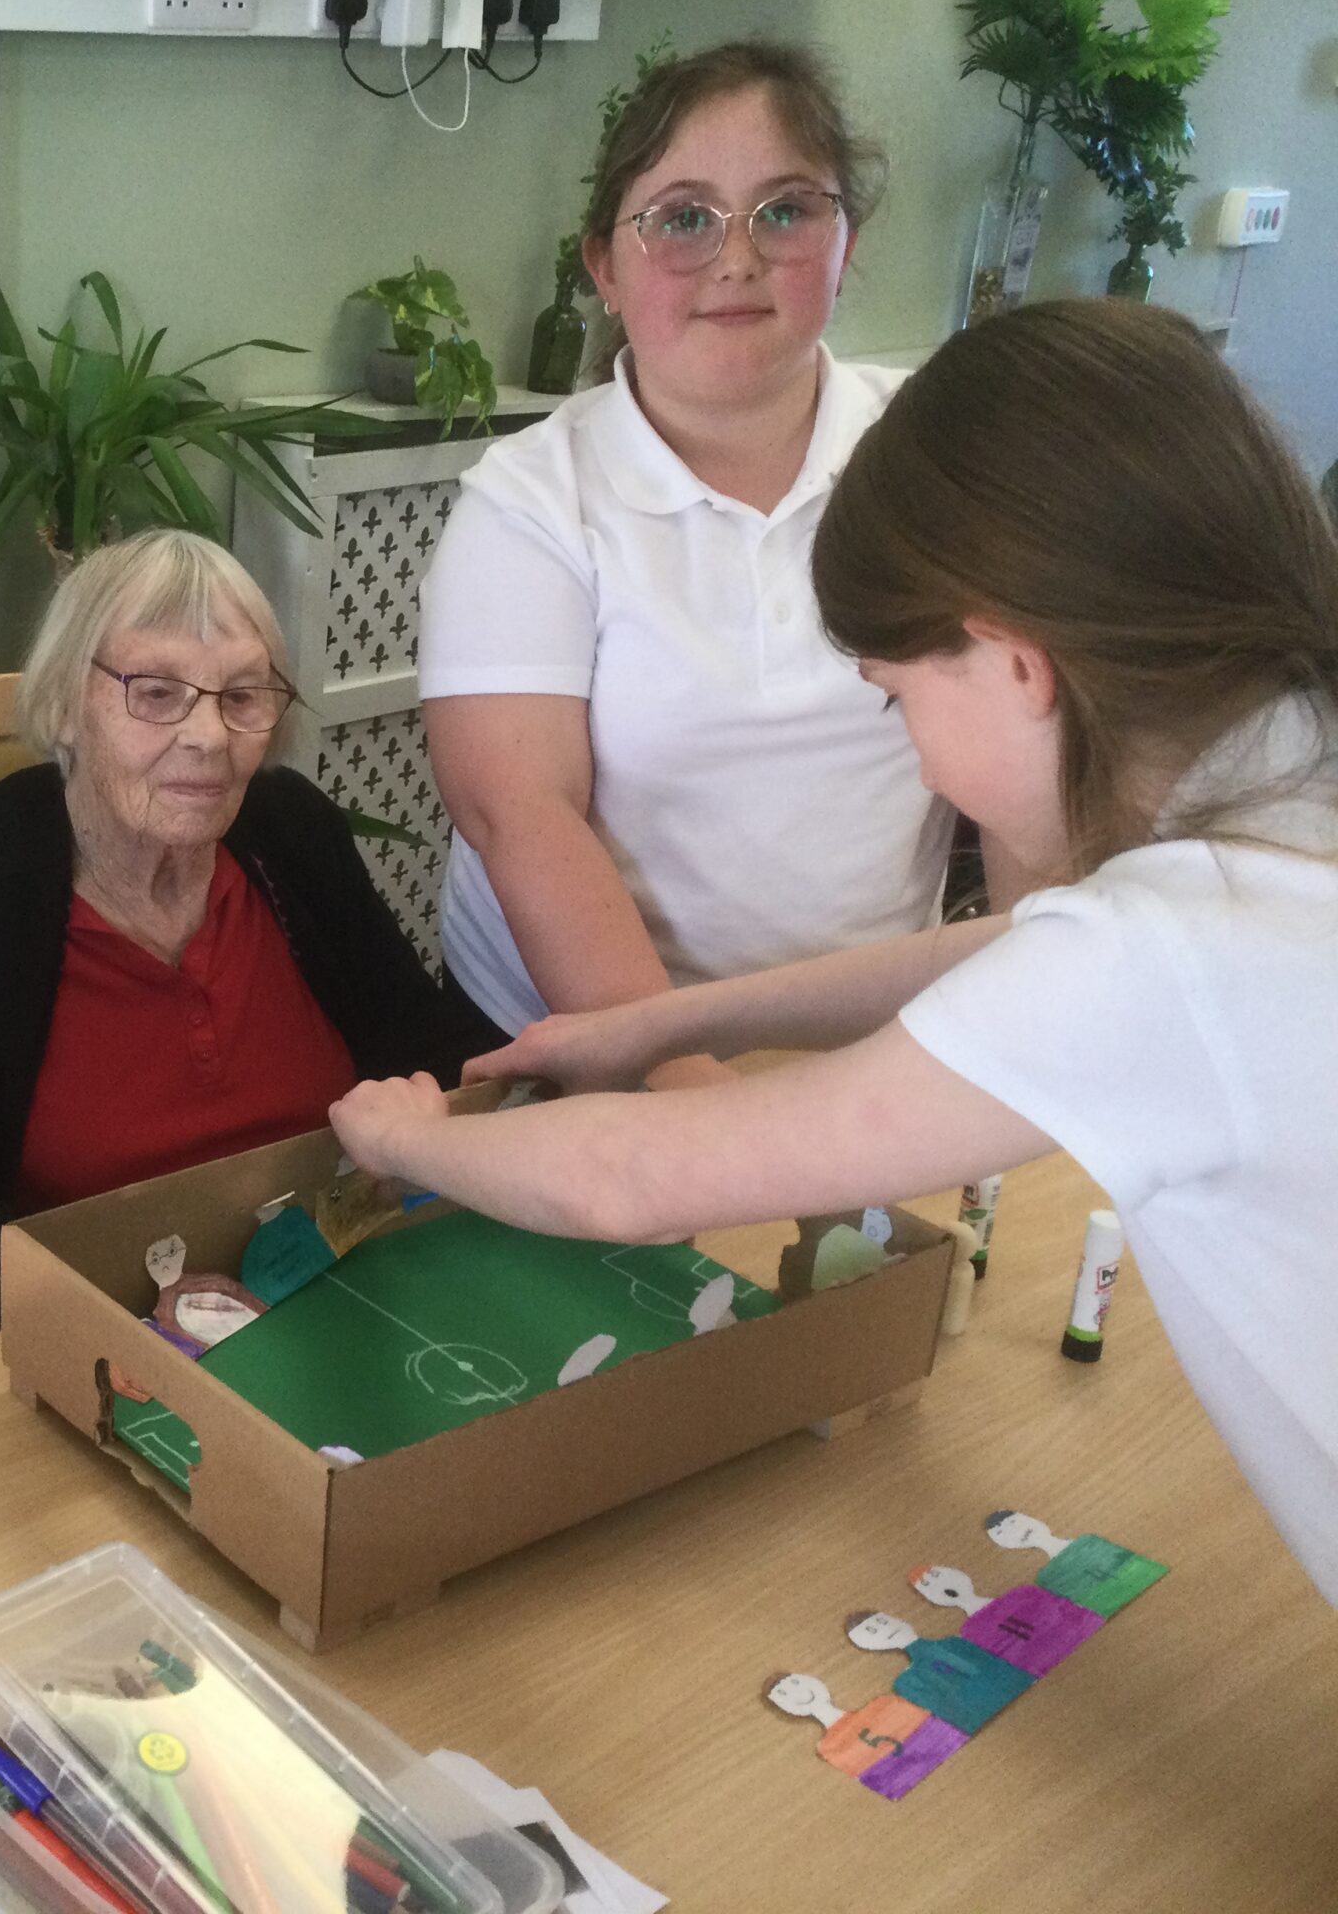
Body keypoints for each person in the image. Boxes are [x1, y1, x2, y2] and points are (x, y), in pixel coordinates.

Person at [330, 301, 1338, 1605]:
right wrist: (660, 1025)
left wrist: (410, 1139)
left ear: (1014, 664)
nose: (911, 748)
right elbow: (1026, 950)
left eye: (897, 696)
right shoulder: (1287, 777)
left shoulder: (1168, 951)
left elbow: (635, 1179)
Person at [419, 40, 963, 1086]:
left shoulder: (938, 451)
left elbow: (1036, 748)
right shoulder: (532, 498)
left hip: (880, 1047)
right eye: (681, 218)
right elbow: (519, 810)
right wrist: (680, 1089)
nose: (736, 258)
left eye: (785, 210)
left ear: (846, 243)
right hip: (588, 1051)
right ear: (604, 268)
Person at [0, 528, 494, 1320]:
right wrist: (136, 1308)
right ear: (66, 705)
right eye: (156, 692)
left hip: (353, 1278)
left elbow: (431, 1053)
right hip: (106, 1333)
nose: (208, 737)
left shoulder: (291, 837)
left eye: (241, 696)